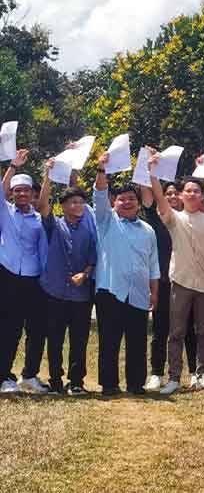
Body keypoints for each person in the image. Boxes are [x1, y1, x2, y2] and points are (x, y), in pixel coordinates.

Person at [147, 154, 204, 395]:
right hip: (180, 282)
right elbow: (159, 199)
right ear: (181, 196)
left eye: (196, 191)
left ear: (202, 196)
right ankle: (173, 377)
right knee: (176, 331)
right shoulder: (174, 219)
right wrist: (153, 172)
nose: (192, 194)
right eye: (188, 191)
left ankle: (201, 374)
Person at [93, 151, 159, 396]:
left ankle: (135, 383)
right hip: (110, 290)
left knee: (137, 341)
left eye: (132, 198)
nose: (127, 202)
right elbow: (99, 195)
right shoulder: (105, 221)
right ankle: (109, 385)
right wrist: (102, 169)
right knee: (109, 341)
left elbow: (153, 265)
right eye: (122, 199)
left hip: (139, 293)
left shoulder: (148, 230)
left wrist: (155, 292)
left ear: (138, 202)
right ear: (114, 202)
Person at [36, 160, 97, 395]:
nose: (78, 205)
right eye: (73, 201)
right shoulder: (53, 225)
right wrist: (48, 176)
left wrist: (86, 273)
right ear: (63, 206)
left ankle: (77, 382)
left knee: (79, 340)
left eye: (81, 201)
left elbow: (92, 259)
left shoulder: (89, 228)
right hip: (55, 291)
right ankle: (55, 381)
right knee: (55, 339)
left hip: (81, 294)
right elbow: (42, 205)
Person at [141, 181, 197, 391]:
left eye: (176, 193)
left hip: (186, 281)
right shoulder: (157, 219)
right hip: (163, 282)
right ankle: (156, 373)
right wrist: (147, 170)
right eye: (168, 194)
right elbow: (147, 198)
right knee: (160, 329)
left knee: (189, 329)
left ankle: (194, 372)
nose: (172, 197)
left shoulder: (190, 220)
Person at [0, 149, 49, 393]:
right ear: (12, 193)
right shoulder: (5, 212)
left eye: (26, 191)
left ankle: (29, 374)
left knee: (37, 328)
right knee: (9, 328)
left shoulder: (39, 218)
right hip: (8, 276)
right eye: (17, 190)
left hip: (34, 278)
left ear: (32, 194)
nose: (21, 194)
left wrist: (49, 173)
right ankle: (3, 377)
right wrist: (13, 166)